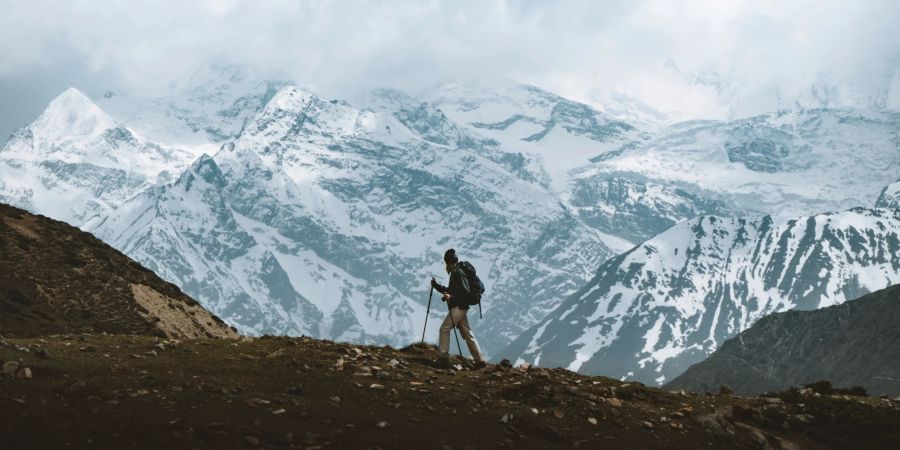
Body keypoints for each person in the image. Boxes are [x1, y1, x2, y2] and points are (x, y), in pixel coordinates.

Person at [431, 248, 486, 369]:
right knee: (468, 334)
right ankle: (480, 360)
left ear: (450, 262)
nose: (446, 266)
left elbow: (464, 293)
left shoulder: (458, 273)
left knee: (444, 329)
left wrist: (451, 297)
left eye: (446, 263)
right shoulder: (456, 272)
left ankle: (443, 358)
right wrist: (436, 286)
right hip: (461, 308)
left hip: (458, 308)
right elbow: (452, 290)